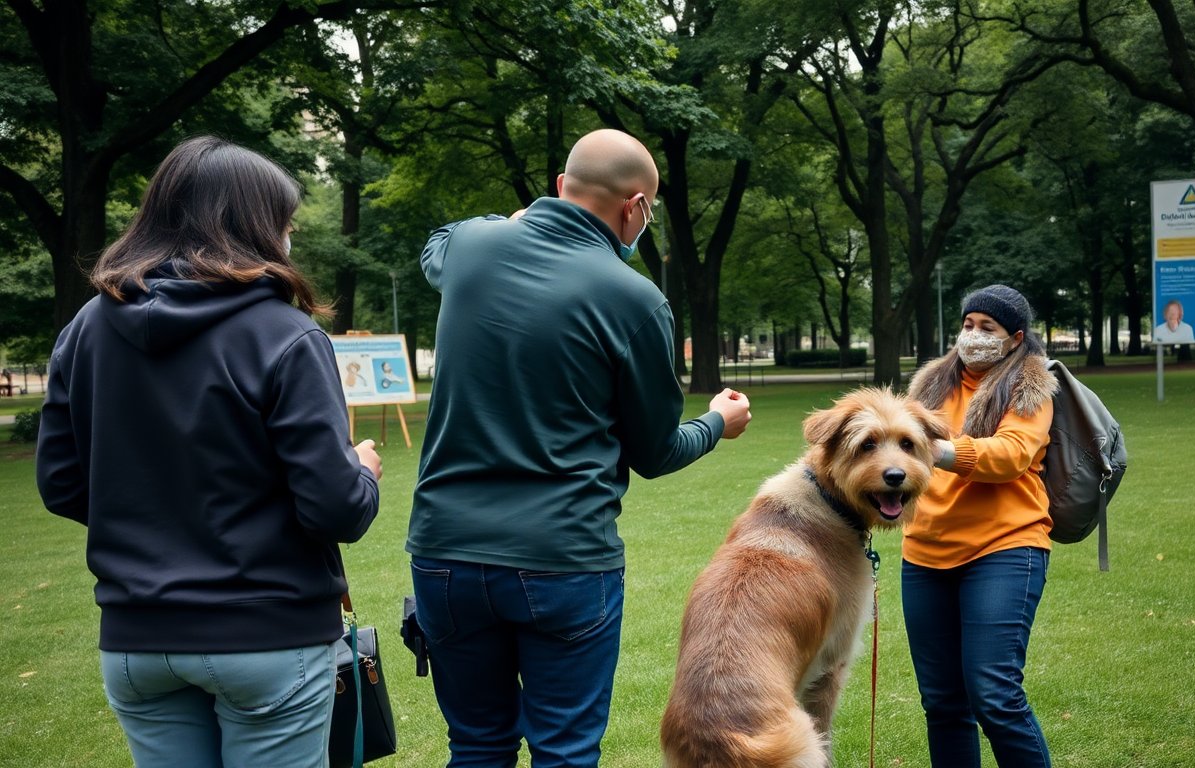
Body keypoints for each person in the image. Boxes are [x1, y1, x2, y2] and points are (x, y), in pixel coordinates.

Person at [408, 128, 752, 767]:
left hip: (445, 554)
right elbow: (654, 452)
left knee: (476, 746)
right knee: (564, 753)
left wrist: (515, 220)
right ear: (637, 208)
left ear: (562, 187)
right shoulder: (636, 301)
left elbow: (437, 241)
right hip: (563, 560)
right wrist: (715, 424)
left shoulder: (471, 249)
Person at [35, 136, 382, 768]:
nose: (290, 239)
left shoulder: (86, 326)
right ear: (254, 227)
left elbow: (62, 483)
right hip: (269, 635)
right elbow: (335, 508)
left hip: (139, 639)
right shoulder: (286, 333)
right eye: (286, 224)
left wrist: (157, 512)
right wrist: (362, 471)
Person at [903, 284, 1056, 767]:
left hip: (1005, 547)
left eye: (987, 328)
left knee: (995, 696)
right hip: (924, 553)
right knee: (943, 704)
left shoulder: (1029, 387)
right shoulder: (931, 384)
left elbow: (1012, 454)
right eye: (968, 325)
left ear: (1015, 338)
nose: (973, 335)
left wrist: (936, 450)